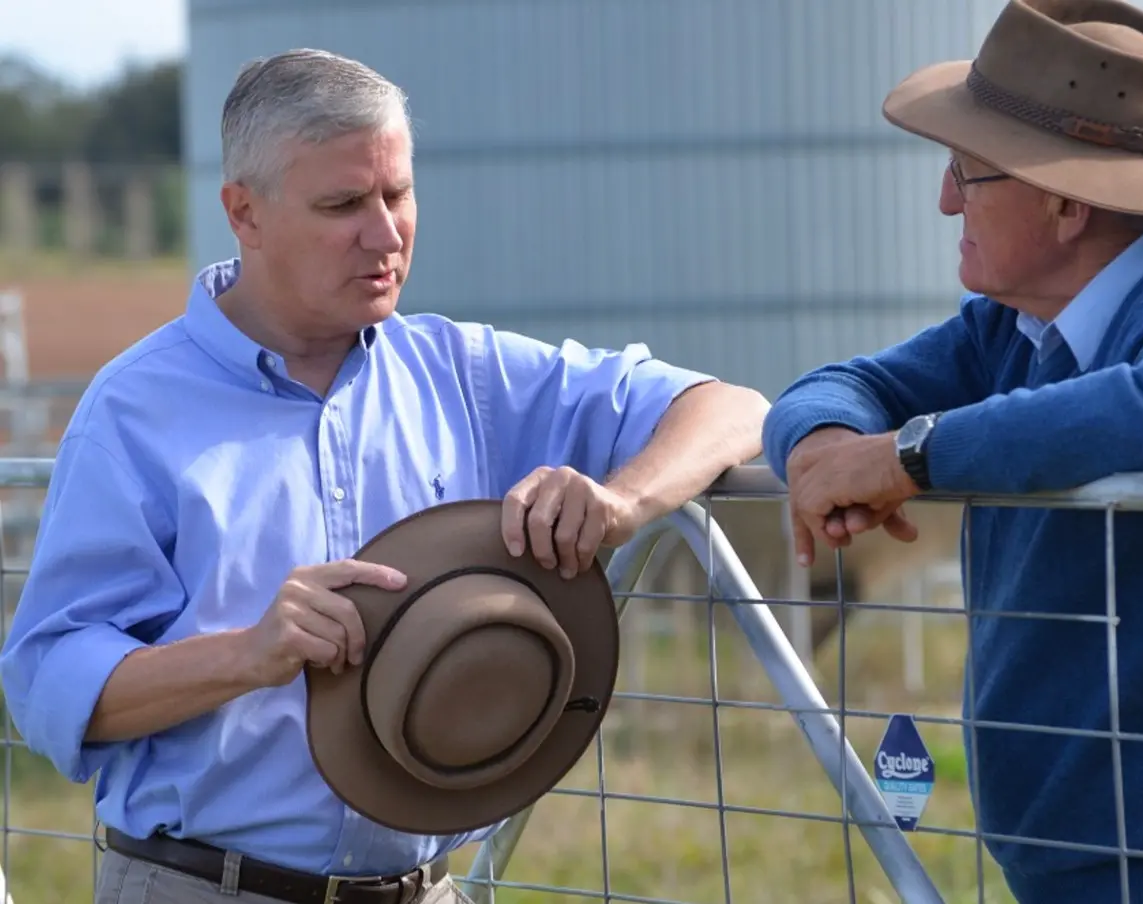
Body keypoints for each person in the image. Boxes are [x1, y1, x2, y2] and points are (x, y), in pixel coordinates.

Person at [0, 48, 768, 904]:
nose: (385, 232)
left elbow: (731, 408)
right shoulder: (134, 411)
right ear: (243, 213)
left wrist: (625, 500)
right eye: (342, 205)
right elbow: (47, 680)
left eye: (396, 194)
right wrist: (247, 656)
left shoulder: (466, 372)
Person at [760, 1, 1143, 902]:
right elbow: (829, 388)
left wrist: (910, 459)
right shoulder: (1016, 325)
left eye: (966, 170)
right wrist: (828, 448)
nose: (944, 198)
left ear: (1067, 202)